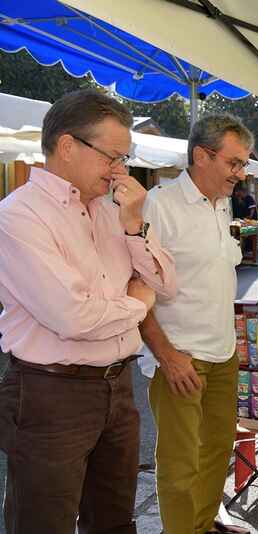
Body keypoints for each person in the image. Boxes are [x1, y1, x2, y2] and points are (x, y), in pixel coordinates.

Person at [0, 89, 177, 534]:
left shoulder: (110, 211)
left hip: (117, 387)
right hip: (49, 394)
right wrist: (136, 303)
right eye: (113, 156)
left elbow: (165, 282)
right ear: (66, 146)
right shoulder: (19, 216)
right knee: (43, 522)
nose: (122, 169)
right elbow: (72, 316)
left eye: (125, 157)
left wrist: (136, 224)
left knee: (114, 521)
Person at [139, 113, 254, 534]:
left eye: (243, 164)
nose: (240, 174)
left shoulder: (221, 203)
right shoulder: (160, 204)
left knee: (217, 452)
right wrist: (167, 357)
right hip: (180, 355)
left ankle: (202, 527)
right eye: (234, 163)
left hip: (223, 354)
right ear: (202, 156)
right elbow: (136, 289)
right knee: (179, 465)